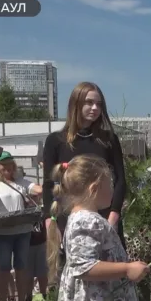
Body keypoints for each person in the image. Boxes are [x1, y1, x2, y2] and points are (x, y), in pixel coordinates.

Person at [45, 155, 151, 301]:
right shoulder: (86, 221)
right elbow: (84, 268)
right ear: (95, 188)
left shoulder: (83, 218)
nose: (113, 190)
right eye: (110, 184)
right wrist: (126, 269)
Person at [42, 81, 127, 248]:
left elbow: (120, 181)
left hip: (105, 218)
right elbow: (48, 184)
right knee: (75, 269)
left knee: (110, 269)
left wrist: (113, 218)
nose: (95, 108)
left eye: (99, 104)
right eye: (89, 102)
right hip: (69, 219)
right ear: (76, 103)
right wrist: (50, 221)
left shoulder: (108, 140)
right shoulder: (55, 141)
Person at [0, 151, 42, 301]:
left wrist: (39, 190)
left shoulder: (21, 181)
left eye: (9, 163)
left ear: (13, 165)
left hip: (23, 231)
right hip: (2, 234)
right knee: (4, 269)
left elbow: (38, 190)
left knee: (21, 268)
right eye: (3, 164)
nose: (6, 167)